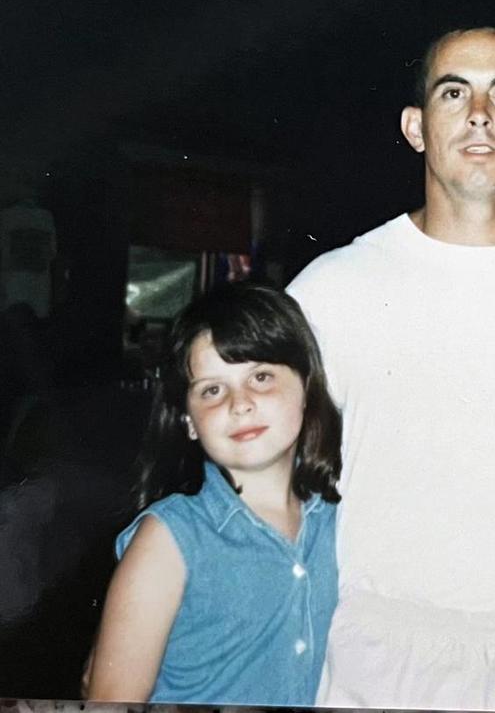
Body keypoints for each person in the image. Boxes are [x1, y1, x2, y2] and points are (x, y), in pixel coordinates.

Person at [287, 27, 495, 709]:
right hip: (375, 659)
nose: (479, 114)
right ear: (415, 127)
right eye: (452, 92)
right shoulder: (332, 288)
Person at [87, 282, 342, 705]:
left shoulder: (340, 520)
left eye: (260, 377)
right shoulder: (169, 541)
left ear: (307, 388)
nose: (239, 403)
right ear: (188, 420)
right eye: (212, 389)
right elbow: (110, 701)